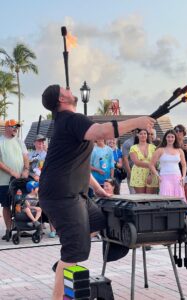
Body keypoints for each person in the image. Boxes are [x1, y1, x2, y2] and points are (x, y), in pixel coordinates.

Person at [38, 84, 155, 300]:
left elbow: (78, 164)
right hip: (62, 195)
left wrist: (99, 189)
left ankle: (65, 263)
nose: (70, 88)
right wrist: (138, 122)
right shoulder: (72, 119)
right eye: (65, 89)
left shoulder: (66, 122)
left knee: (100, 219)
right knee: (76, 249)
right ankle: (65, 271)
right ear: (61, 100)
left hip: (72, 194)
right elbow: (103, 131)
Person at [0, 119, 29, 241]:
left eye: (17, 127)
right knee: (6, 206)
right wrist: (12, 172)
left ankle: (19, 228)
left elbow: (26, 157)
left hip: (20, 181)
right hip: (4, 181)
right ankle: (8, 230)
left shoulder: (19, 141)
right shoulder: (0, 141)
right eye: (13, 127)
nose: (16, 129)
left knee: (21, 204)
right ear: (6, 128)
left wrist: (26, 169)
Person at [150, 129, 187, 200]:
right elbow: (151, 164)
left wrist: (183, 177)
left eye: (172, 137)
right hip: (164, 177)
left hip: (177, 177)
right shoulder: (160, 150)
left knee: (178, 198)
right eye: (168, 137)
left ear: (175, 138)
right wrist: (157, 176)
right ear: (165, 138)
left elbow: (184, 165)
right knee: (165, 198)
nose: (170, 139)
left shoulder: (180, 150)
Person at [130, 128, 158, 194]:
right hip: (138, 174)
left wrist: (151, 174)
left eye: (145, 134)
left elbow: (156, 162)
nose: (143, 135)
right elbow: (137, 162)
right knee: (141, 198)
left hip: (151, 173)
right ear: (137, 135)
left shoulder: (153, 147)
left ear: (147, 135)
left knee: (150, 197)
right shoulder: (133, 148)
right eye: (141, 134)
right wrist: (150, 165)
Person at [122, 129, 138, 194]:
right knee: (133, 194)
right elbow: (125, 159)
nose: (136, 132)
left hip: (143, 172)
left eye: (138, 131)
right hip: (132, 171)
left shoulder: (145, 141)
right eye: (135, 131)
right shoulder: (128, 143)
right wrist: (129, 172)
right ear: (132, 132)